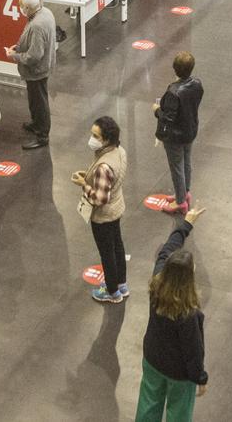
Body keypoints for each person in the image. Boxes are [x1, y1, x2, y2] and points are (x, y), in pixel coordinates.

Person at [135, 208, 209, 422]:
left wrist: (185, 225)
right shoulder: (188, 313)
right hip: (179, 373)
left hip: (152, 359)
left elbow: (167, 250)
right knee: (179, 413)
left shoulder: (156, 283)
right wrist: (200, 377)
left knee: (148, 405)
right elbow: (193, 350)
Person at [73, 116, 128, 303]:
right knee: (117, 245)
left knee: (107, 252)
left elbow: (100, 198)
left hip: (103, 216)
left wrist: (84, 184)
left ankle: (112, 291)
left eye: (96, 136)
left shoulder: (104, 166)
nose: (92, 138)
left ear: (106, 139)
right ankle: (122, 284)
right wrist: (89, 177)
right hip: (117, 207)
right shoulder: (119, 151)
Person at [153, 51, 204, 215]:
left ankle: (180, 202)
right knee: (187, 162)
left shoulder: (173, 92)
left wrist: (157, 111)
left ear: (175, 69)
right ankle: (185, 193)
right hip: (190, 130)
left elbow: (168, 118)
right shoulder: (197, 84)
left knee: (176, 167)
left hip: (175, 136)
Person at [7, 0, 56, 149]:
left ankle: (42, 135)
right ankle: (37, 124)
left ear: (27, 8)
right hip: (43, 67)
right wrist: (20, 47)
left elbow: (34, 56)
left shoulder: (36, 25)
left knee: (39, 102)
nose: (19, 7)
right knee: (36, 100)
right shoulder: (45, 13)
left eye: (21, 5)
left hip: (37, 71)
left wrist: (15, 55)